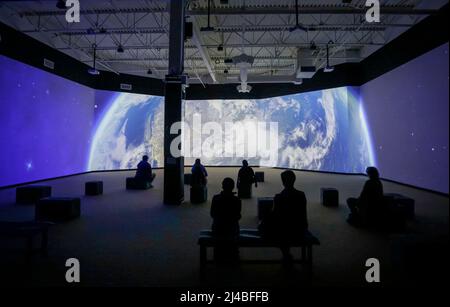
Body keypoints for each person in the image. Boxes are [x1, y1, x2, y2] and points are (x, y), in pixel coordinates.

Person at [259, 170, 308, 262]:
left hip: (283, 232)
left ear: (283, 182)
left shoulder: (279, 197)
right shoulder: (301, 195)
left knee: (272, 227)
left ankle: (286, 254)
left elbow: (275, 215)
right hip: (299, 230)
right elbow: (303, 215)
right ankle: (286, 255)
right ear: (294, 180)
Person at [210, 177, 242, 263]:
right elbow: (238, 216)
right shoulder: (237, 200)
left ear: (222, 186)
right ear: (233, 187)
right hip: (232, 231)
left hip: (218, 230)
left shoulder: (215, 198)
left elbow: (212, 214)